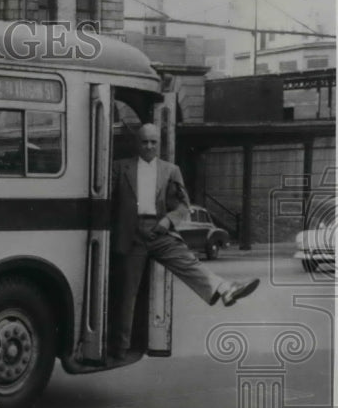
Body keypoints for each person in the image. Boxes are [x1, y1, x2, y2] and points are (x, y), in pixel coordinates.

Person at [110, 122, 259, 361]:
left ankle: (225, 289)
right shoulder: (120, 167)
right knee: (128, 293)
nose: (148, 146)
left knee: (188, 262)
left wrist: (167, 221)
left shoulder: (171, 170)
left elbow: (183, 205)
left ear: (159, 144)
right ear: (137, 143)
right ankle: (119, 349)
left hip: (160, 230)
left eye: (153, 142)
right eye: (144, 142)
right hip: (132, 235)